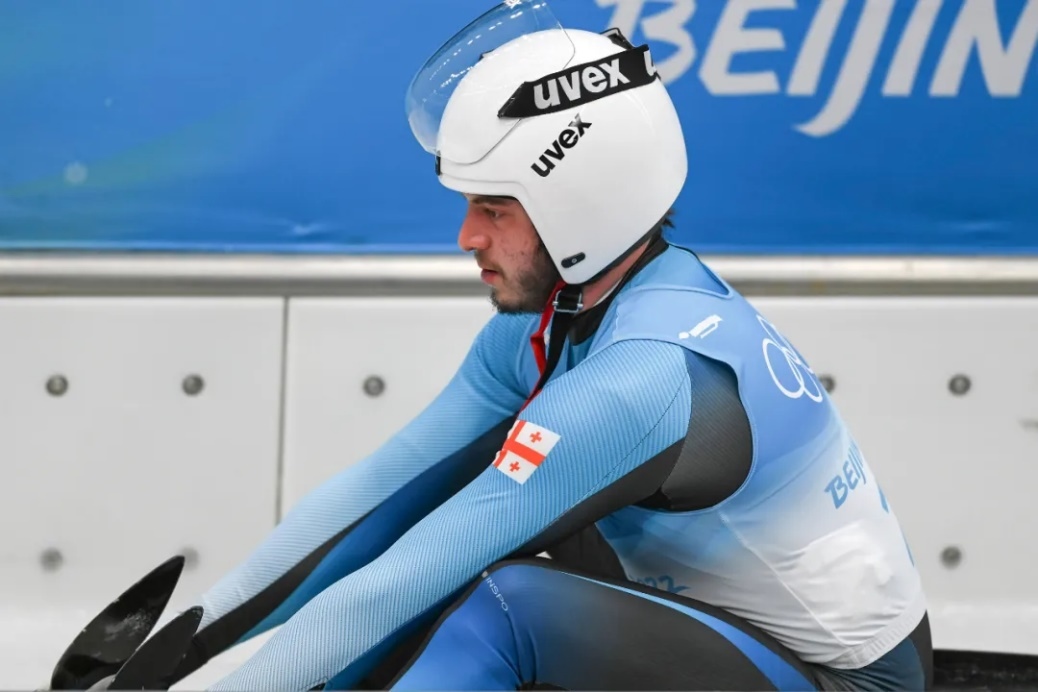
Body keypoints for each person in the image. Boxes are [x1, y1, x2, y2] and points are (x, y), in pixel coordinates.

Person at [160, 2, 933, 689]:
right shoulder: (562, 319)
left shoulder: (643, 377)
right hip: (724, 628)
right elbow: (377, 500)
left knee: (500, 604)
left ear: (582, 207)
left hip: (845, 680)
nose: (466, 236)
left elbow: (400, 582)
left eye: (494, 209)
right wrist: (170, 654)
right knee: (442, 565)